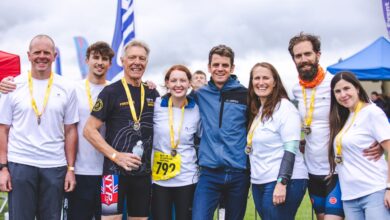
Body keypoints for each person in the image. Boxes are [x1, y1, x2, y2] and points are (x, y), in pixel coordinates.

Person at [289, 32, 382, 220]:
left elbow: (367, 111)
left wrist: (381, 142)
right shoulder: (296, 89)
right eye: (298, 56)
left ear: (318, 55)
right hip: (312, 170)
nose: (304, 59)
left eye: (308, 54)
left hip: (338, 170)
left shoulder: (335, 83)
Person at [0, 34, 78, 219]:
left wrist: (71, 169)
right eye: (37, 52)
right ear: (29, 55)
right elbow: (3, 129)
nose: (41, 56)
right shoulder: (12, 86)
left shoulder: (67, 87)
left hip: (54, 165)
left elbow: (70, 130)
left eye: (46, 52)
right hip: (21, 164)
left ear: (54, 55)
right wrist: (3, 168)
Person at [83, 40, 159, 220]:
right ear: (123, 61)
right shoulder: (111, 92)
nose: (137, 62)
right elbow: (89, 130)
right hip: (113, 174)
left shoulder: (152, 93)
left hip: (143, 173)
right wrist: (116, 156)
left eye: (142, 58)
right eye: (132, 57)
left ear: (146, 63)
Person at [192, 45, 250, 220]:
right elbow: (175, 98)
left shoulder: (245, 94)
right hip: (209, 173)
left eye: (225, 65)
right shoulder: (199, 94)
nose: (220, 69)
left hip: (238, 173)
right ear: (209, 67)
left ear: (232, 68)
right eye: (216, 65)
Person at [247, 62, 308, 220]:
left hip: (283, 180)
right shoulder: (260, 110)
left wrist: (282, 183)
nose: (261, 82)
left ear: (275, 82)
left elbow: (291, 149)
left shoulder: (285, 108)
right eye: (257, 78)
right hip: (260, 180)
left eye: (266, 78)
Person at [328, 71, 390, 219]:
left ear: (357, 88)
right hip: (349, 196)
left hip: (374, 191)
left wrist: (389, 187)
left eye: (346, 88)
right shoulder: (345, 117)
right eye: (337, 91)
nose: (343, 94)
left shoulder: (372, 112)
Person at [63, 41, 114, 219]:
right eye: (96, 57)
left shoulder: (116, 90)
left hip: (109, 172)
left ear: (110, 64)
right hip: (80, 171)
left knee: (108, 218)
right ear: (87, 60)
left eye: (105, 59)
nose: (100, 62)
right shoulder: (72, 89)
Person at [151, 64, 200, 220]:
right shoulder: (156, 105)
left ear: (189, 83)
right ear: (167, 83)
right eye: (173, 80)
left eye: (182, 80)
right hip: (159, 180)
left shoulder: (196, 109)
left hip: (187, 177)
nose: (178, 85)